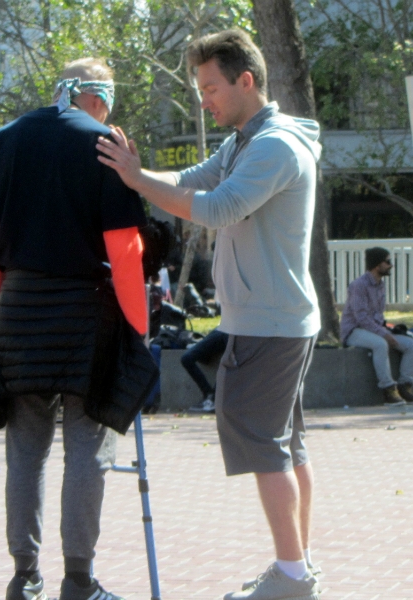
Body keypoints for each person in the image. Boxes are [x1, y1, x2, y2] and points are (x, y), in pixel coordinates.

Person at [97, 29, 321, 600]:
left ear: (246, 81)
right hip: (276, 318)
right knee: (286, 445)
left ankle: (293, 577)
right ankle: (297, 568)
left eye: (211, 87)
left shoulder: (273, 147)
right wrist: (138, 172)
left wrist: (137, 180)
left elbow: (217, 209)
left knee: (265, 443)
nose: (205, 101)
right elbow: (193, 180)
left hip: (267, 323)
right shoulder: (247, 140)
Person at [0, 57, 153, 600]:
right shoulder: (105, 146)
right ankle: (79, 579)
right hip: (85, 316)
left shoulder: (4, 141)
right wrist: (136, 329)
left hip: (19, 314)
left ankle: (24, 576)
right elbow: (126, 250)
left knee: (26, 451)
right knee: (88, 449)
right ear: (100, 97)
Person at [340, 246, 413, 406]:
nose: (390, 265)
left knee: (410, 345)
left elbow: (377, 316)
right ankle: (388, 389)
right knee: (380, 344)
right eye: (387, 261)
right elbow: (361, 317)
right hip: (354, 331)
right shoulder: (358, 285)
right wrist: (384, 334)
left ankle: (405, 385)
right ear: (376, 264)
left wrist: (388, 330)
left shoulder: (380, 285)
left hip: (375, 329)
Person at [182, 328, 229, 413]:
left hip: (235, 333)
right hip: (222, 330)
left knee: (228, 359)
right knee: (186, 358)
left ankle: (214, 398)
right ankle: (208, 394)